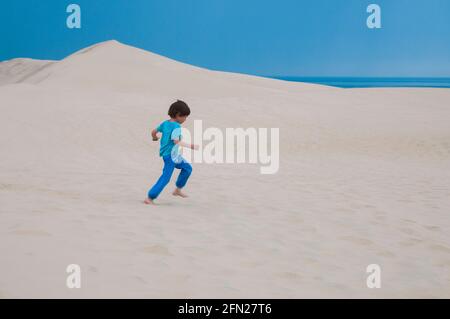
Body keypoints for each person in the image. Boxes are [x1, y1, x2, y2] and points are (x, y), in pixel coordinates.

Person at [145, 100, 198, 204]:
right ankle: (150, 197)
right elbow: (176, 141)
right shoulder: (177, 127)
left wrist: (154, 138)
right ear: (178, 115)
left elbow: (153, 132)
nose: (185, 119)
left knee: (187, 168)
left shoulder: (165, 123)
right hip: (170, 157)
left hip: (172, 155)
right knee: (166, 177)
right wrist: (191, 146)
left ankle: (177, 190)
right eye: (185, 117)